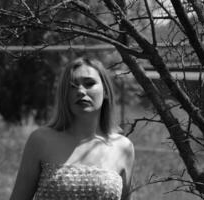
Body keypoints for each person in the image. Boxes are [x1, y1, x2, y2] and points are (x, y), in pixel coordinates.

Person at [9, 57, 135, 200]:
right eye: (72, 86)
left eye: (89, 83)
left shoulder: (123, 147)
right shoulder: (41, 140)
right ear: (64, 94)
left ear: (105, 91)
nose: (81, 91)